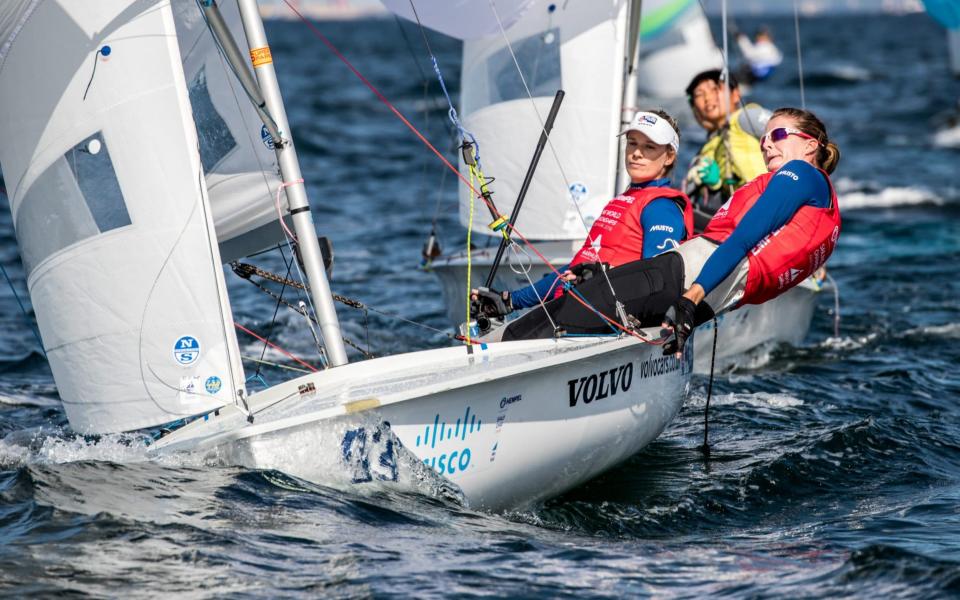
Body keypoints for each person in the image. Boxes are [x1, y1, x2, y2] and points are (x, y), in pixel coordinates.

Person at [498, 107, 842, 352]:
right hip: (711, 297)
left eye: (778, 135)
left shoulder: (802, 174)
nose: (766, 144)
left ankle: (492, 356)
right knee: (574, 312)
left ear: (810, 144)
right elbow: (741, 241)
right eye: (763, 138)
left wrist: (691, 297)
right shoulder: (823, 212)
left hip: (690, 279)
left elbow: (743, 237)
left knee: (559, 316)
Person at [480, 109, 694, 316]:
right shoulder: (624, 201)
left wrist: (601, 275)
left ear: (669, 157)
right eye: (632, 144)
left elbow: (657, 281)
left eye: (649, 147)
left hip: (615, 322)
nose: (636, 153)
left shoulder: (661, 207)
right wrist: (510, 301)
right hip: (581, 308)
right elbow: (574, 269)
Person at [684, 70, 771, 220]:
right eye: (699, 94)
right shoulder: (706, 149)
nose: (708, 97)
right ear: (694, 108)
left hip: (768, 202)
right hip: (742, 217)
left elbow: (788, 132)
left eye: (715, 88)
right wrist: (715, 185)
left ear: (735, 94)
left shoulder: (746, 117)